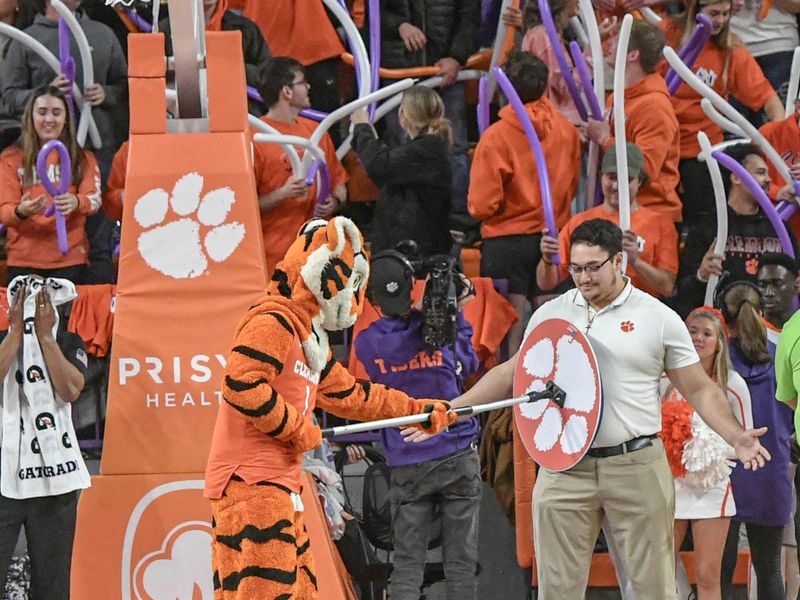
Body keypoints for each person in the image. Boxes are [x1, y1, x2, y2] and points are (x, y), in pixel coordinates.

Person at [448, 218, 771, 599]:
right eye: (576, 268)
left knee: (655, 589)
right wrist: (452, 409)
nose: (583, 278)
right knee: (557, 590)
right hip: (564, 469)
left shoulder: (658, 316)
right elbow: (510, 372)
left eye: (592, 268)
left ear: (619, 261)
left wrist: (736, 436)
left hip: (635, 465)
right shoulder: (552, 312)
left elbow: (700, 389)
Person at [205, 216, 456, 600]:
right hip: (251, 484)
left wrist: (419, 410)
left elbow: (356, 395)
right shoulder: (272, 320)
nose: (352, 298)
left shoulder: (309, 335)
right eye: (350, 282)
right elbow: (241, 385)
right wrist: (298, 430)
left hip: (282, 482)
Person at [353, 250, 481, 600]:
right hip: (457, 454)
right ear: (412, 286)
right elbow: (469, 364)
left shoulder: (365, 342)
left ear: (370, 297)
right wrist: (457, 314)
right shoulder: (438, 330)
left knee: (407, 563)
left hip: (408, 460)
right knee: (461, 563)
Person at [0, 0, 128, 284]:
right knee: (38, 228)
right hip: (37, 155)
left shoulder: (102, 34)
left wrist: (107, 93)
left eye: (54, 112)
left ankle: (93, 317)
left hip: (94, 150)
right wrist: (45, 96)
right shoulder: (28, 39)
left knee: (99, 244)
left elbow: (125, 85)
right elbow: (8, 96)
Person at [468, 50, 580, 353]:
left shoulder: (496, 137)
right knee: (556, 340)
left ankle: (506, 402)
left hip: (506, 245)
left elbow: (481, 205)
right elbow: (573, 185)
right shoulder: (568, 132)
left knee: (506, 346)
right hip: (552, 239)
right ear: (544, 86)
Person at [0, 276, 90, 600]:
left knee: (52, 587)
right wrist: (14, 334)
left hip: (56, 481)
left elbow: (70, 390)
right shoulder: (3, 339)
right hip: (3, 476)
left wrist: (45, 339)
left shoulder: (69, 342)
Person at [658, 0, 783, 228]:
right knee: (664, 225)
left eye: (726, 14)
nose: (721, 21)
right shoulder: (666, 33)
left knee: (704, 224)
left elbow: (771, 101)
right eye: (714, 13)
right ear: (695, 10)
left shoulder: (730, 49)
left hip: (703, 152)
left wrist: (771, 136)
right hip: (662, 147)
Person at [660, 306, 751, 600]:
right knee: (661, 570)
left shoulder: (733, 385)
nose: (698, 338)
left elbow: (743, 440)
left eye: (706, 334)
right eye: (692, 331)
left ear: (720, 342)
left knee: (708, 574)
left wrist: (706, 447)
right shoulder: (662, 380)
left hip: (711, 489)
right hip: (670, 487)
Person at [718, 281, 794, 599]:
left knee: (719, 570)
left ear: (723, 319)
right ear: (762, 313)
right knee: (770, 568)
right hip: (772, 472)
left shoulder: (716, 364)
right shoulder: (783, 355)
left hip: (725, 476)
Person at [537, 142, 678, 299]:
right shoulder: (580, 222)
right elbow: (547, 283)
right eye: (611, 177)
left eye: (627, 179)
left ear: (639, 181)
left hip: (639, 314)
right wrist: (547, 259)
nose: (617, 186)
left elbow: (667, 286)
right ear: (600, 177)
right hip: (591, 312)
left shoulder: (660, 223)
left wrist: (635, 261)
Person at [380, 0, 480, 217]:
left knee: (453, 147)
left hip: (446, 73)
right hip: (398, 71)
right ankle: (405, 217)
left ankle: (457, 218)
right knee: (401, 147)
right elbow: (372, 15)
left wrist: (456, 57)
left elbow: (470, 18)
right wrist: (400, 26)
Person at [675, 143, 798, 317]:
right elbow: (684, 291)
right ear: (736, 177)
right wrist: (702, 275)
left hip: (773, 329)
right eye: (761, 173)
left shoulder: (779, 226)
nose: (769, 180)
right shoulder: (708, 226)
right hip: (724, 328)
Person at [251, 56, 347, 277]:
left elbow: (340, 182)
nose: (309, 87)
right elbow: (244, 209)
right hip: (274, 261)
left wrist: (335, 201)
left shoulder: (318, 132)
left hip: (320, 256)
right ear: (287, 91)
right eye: (303, 82)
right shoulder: (255, 138)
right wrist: (283, 193)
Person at [0, 85, 101, 285]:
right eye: (42, 112)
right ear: (31, 117)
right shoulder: (10, 159)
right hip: (23, 261)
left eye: (56, 113)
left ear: (66, 118)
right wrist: (21, 211)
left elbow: (95, 199)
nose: (49, 119)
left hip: (71, 262)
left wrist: (76, 201)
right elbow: (4, 210)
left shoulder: (83, 159)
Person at [585, 19, 682, 223]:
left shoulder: (654, 106)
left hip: (652, 214)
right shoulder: (618, 96)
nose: (610, 44)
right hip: (620, 208)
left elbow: (645, 169)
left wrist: (604, 138)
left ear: (632, 55)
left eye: (616, 40)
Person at [349, 86, 453, 257]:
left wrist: (361, 126)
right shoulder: (427, 148)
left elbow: (378, 165)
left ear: (404, 115)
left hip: (416, 252)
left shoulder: (426, 148)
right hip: (415, 248)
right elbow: (384, 171)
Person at [160, 0, 271, 116]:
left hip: (240, 116)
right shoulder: (165, 30)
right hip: (181, 117)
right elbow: (154, 79)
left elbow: (267, 78)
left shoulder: (245, 29)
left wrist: (230, 69)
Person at [520, 0, 581, 124]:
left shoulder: (547, 34)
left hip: (557, 119)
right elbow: (564, 88)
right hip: (554, 122)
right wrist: (588, 58)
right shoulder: (543, 37)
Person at [757, 252, 799, 341]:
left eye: (777, 284)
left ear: (796, 285)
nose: (769, 293)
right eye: (762, 285)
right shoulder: (748, 335)